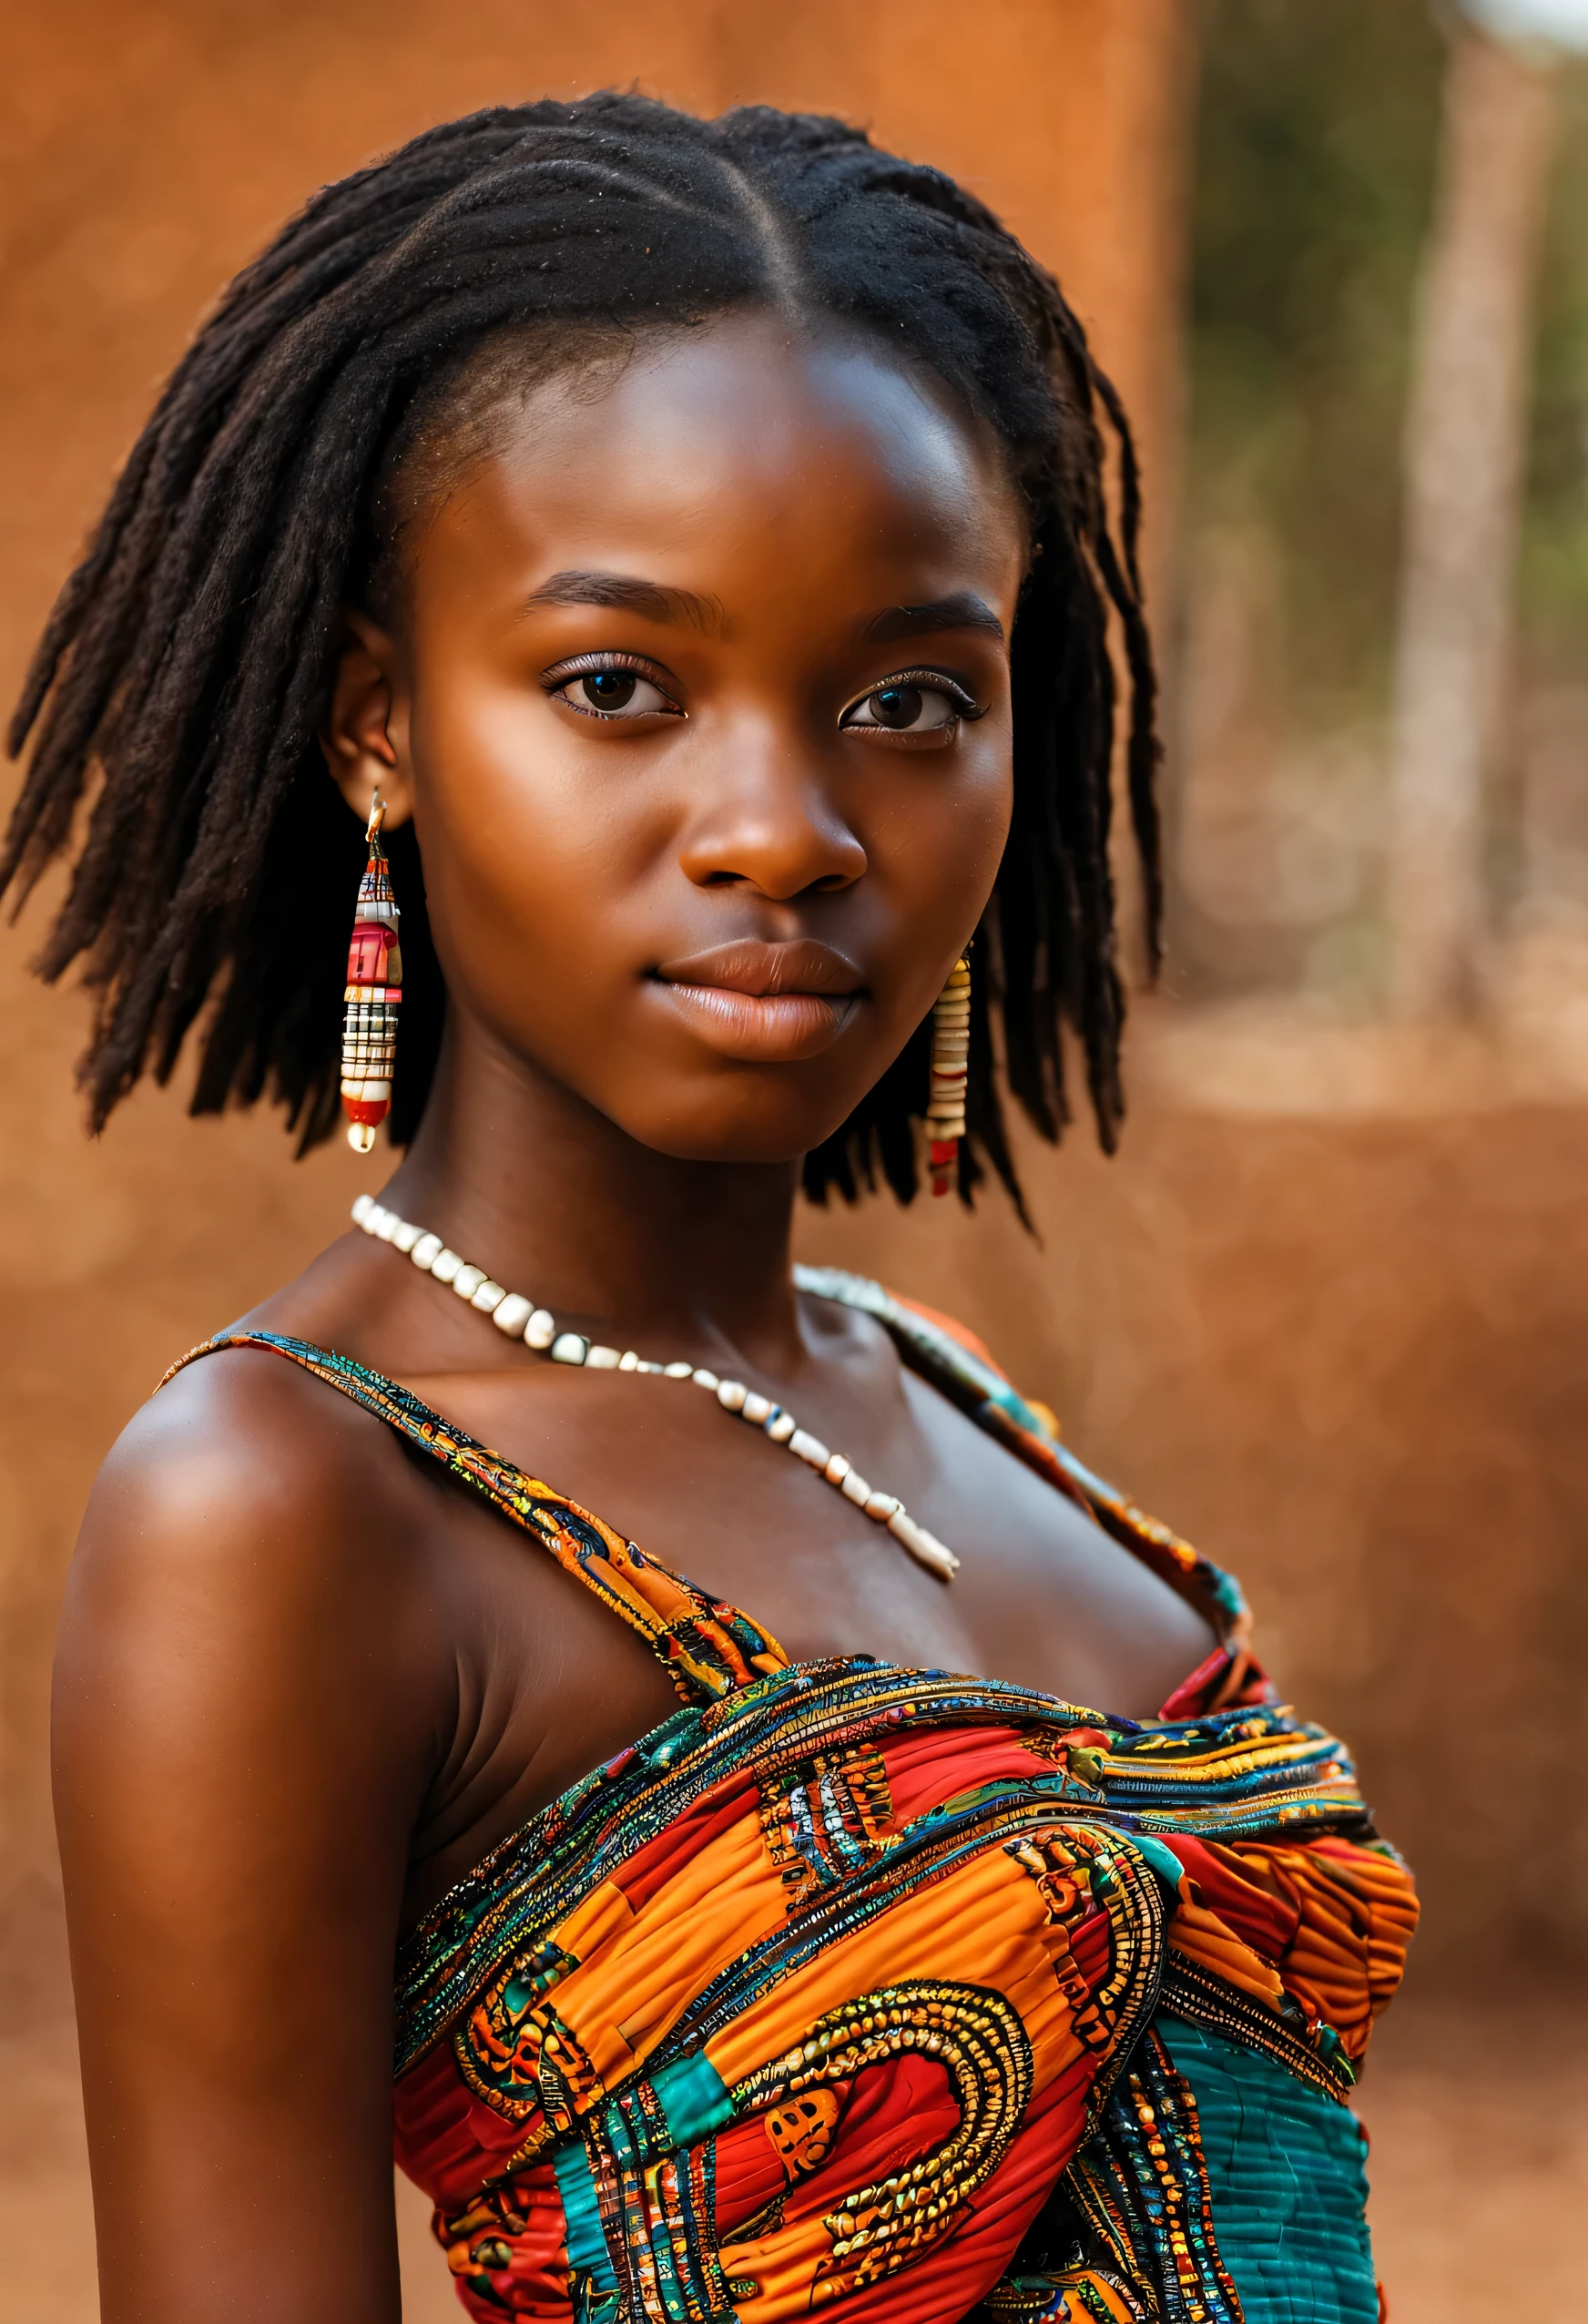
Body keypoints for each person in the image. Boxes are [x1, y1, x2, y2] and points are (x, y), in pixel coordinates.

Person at [5, 95, 1417, 2324]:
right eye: (616, 686)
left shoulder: (950, 1413)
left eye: (905, 700)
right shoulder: (285, 1505)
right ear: (380, 723)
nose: (783, 827)